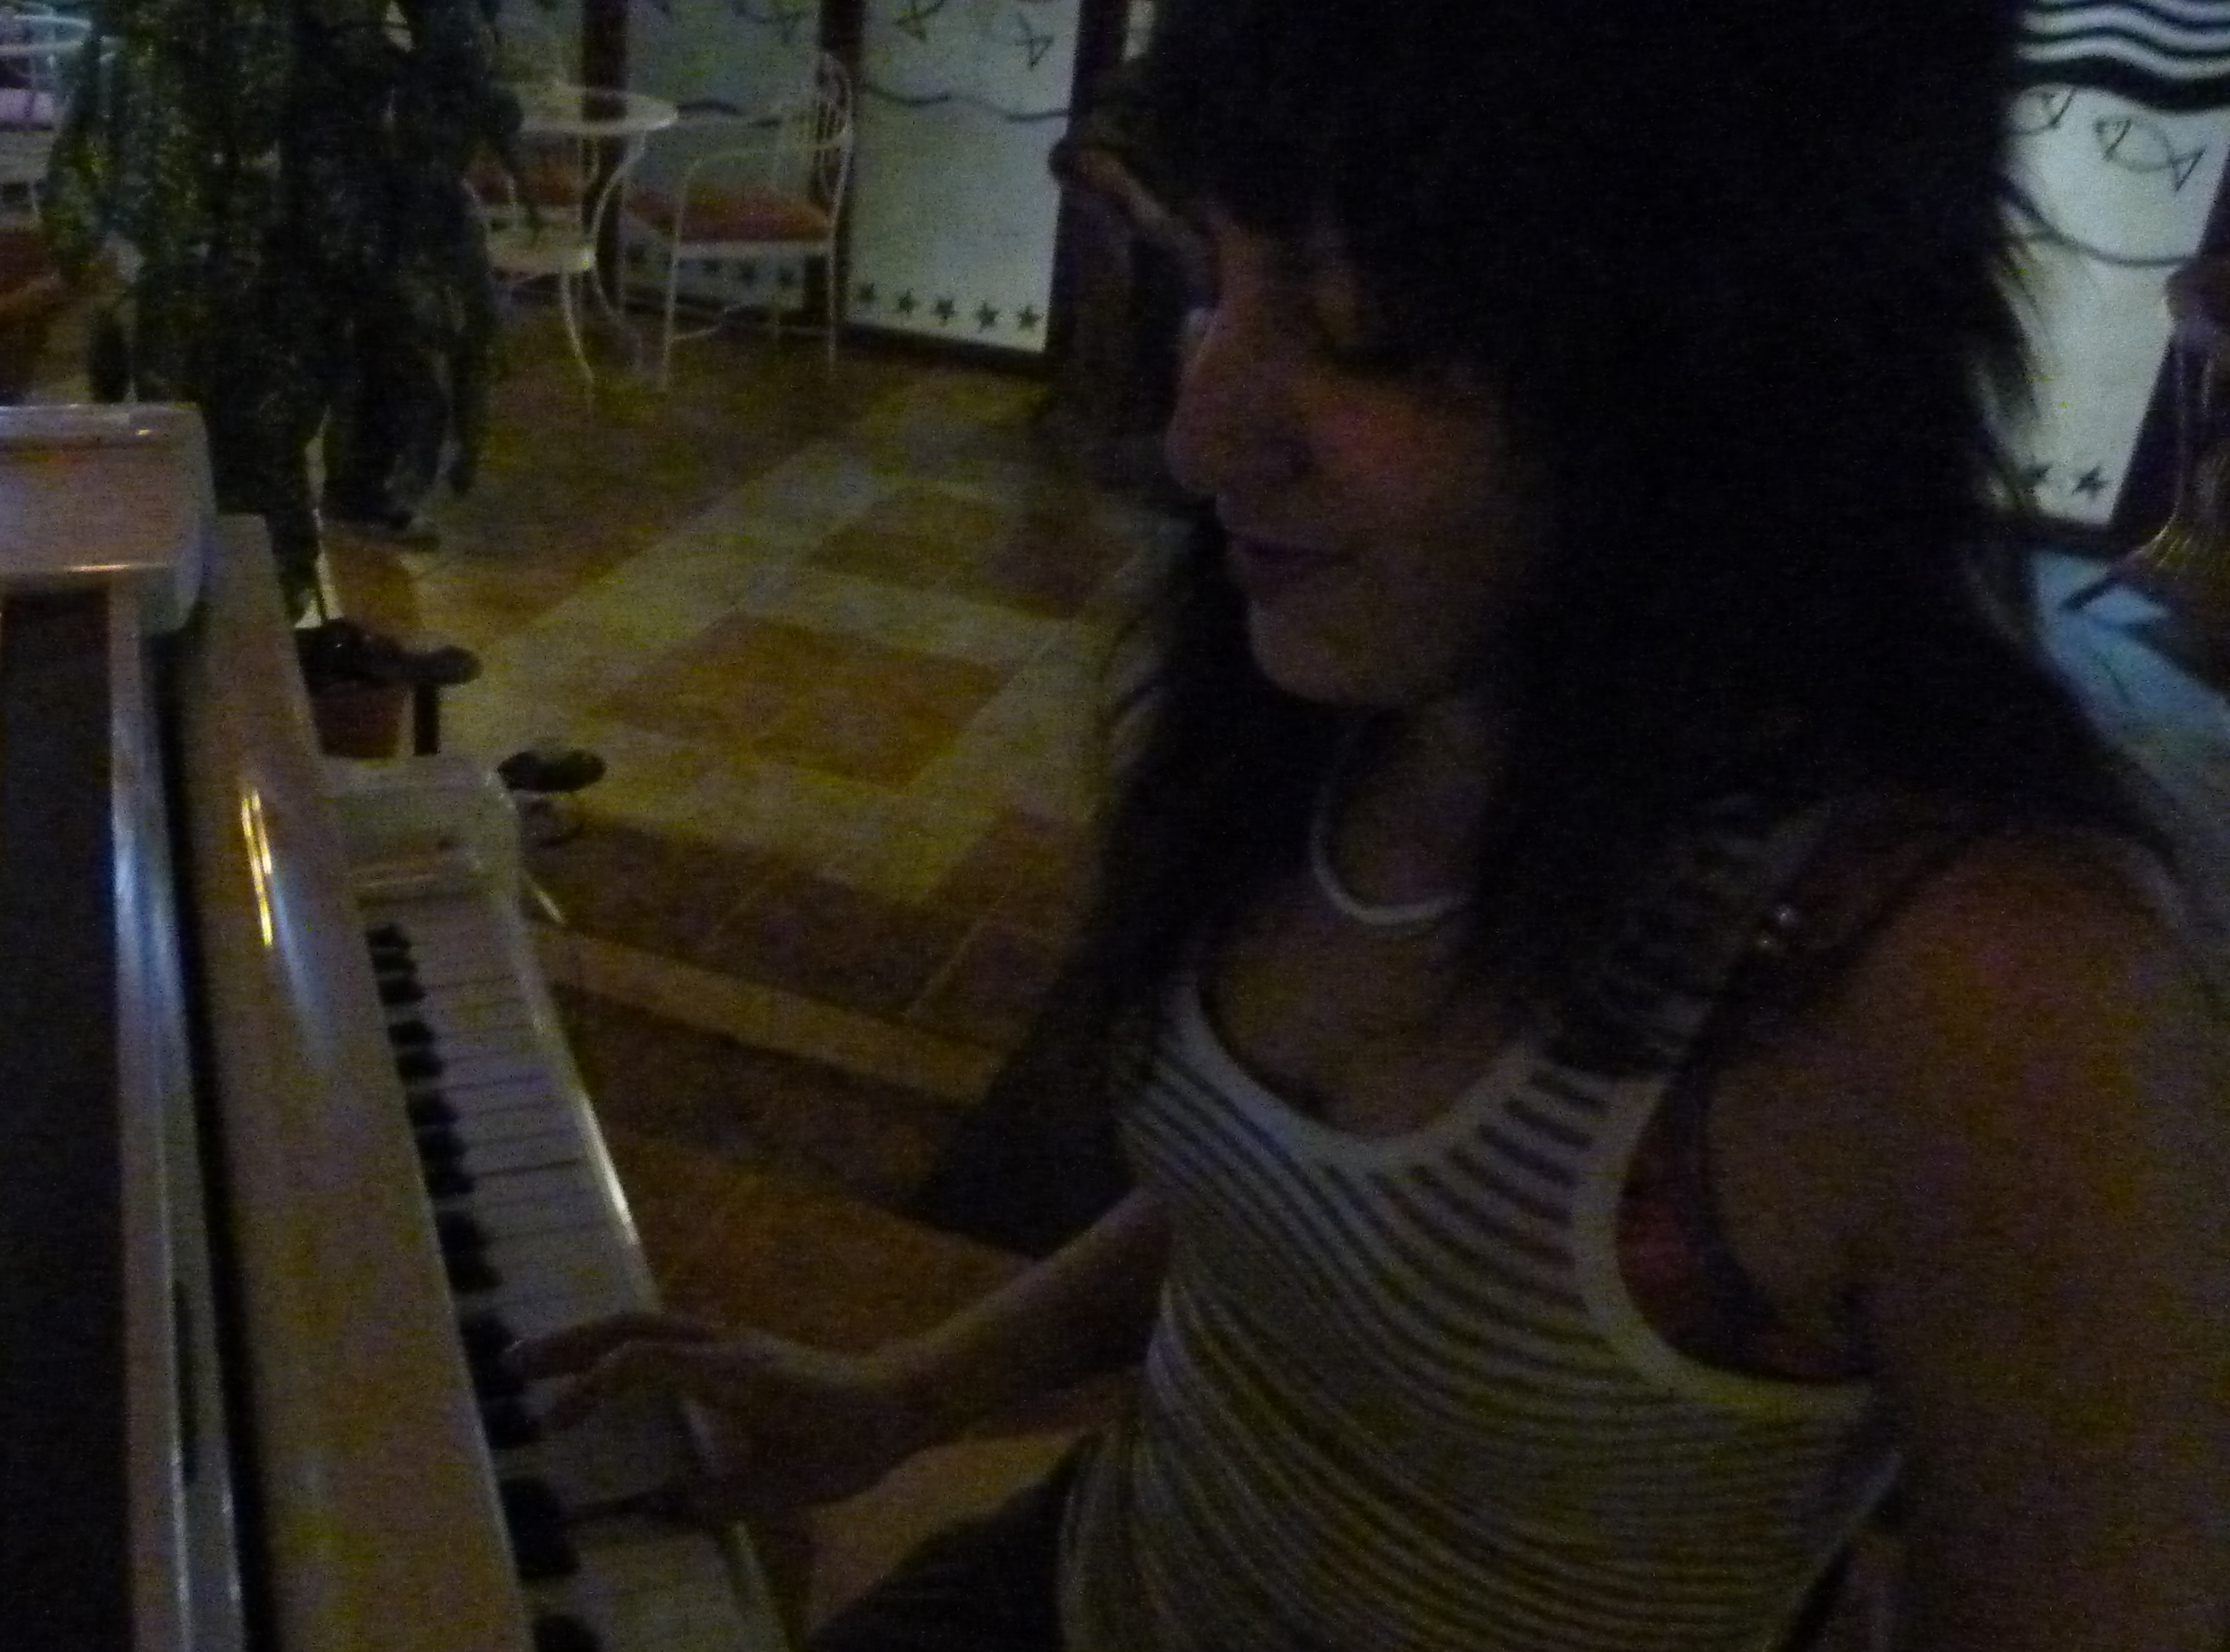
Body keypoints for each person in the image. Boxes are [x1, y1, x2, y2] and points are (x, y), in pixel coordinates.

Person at [509, 2, 2230, 1649]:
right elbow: (1282, 1207)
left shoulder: (1986, 987)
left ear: (1739, 352)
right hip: (1101, 1577)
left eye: (1367, 325)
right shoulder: (1345, 697)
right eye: (1217, 278)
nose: (1199, 435)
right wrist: (900, 1395)